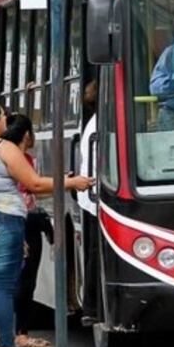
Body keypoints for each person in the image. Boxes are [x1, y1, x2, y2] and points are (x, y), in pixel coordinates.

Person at [0, 100, 92, 347]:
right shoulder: (4, 148)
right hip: (1, 221)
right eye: (3, 115)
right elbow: (34, 184)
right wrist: (72, 182)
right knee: (3, 290)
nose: (6, 119)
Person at [2, 114, 53, 347]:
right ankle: (19, 334)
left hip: (12, 220)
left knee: (12, 281)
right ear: (26, 135)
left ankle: (9, 333)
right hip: (22, 220)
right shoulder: (20, 159)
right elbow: (33, 187)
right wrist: (69, 182)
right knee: (26, 279)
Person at [77, 81, 101, 325]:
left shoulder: (93, 122)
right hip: (96, 199)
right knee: (96, 253)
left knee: (95, 253)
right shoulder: (99, 125)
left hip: (93, 197)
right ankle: (92, 308)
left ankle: (92, 307)